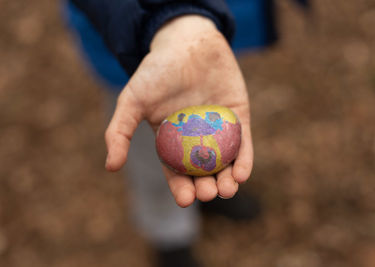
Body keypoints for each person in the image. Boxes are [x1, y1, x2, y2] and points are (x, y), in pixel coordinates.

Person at [63, 1, 308, 266]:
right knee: (151, 157)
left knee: (214, 77)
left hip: (221, 25)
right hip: (128, 34)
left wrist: (196, 20)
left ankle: (210, 195)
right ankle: (169, 237)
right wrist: (168, 15)